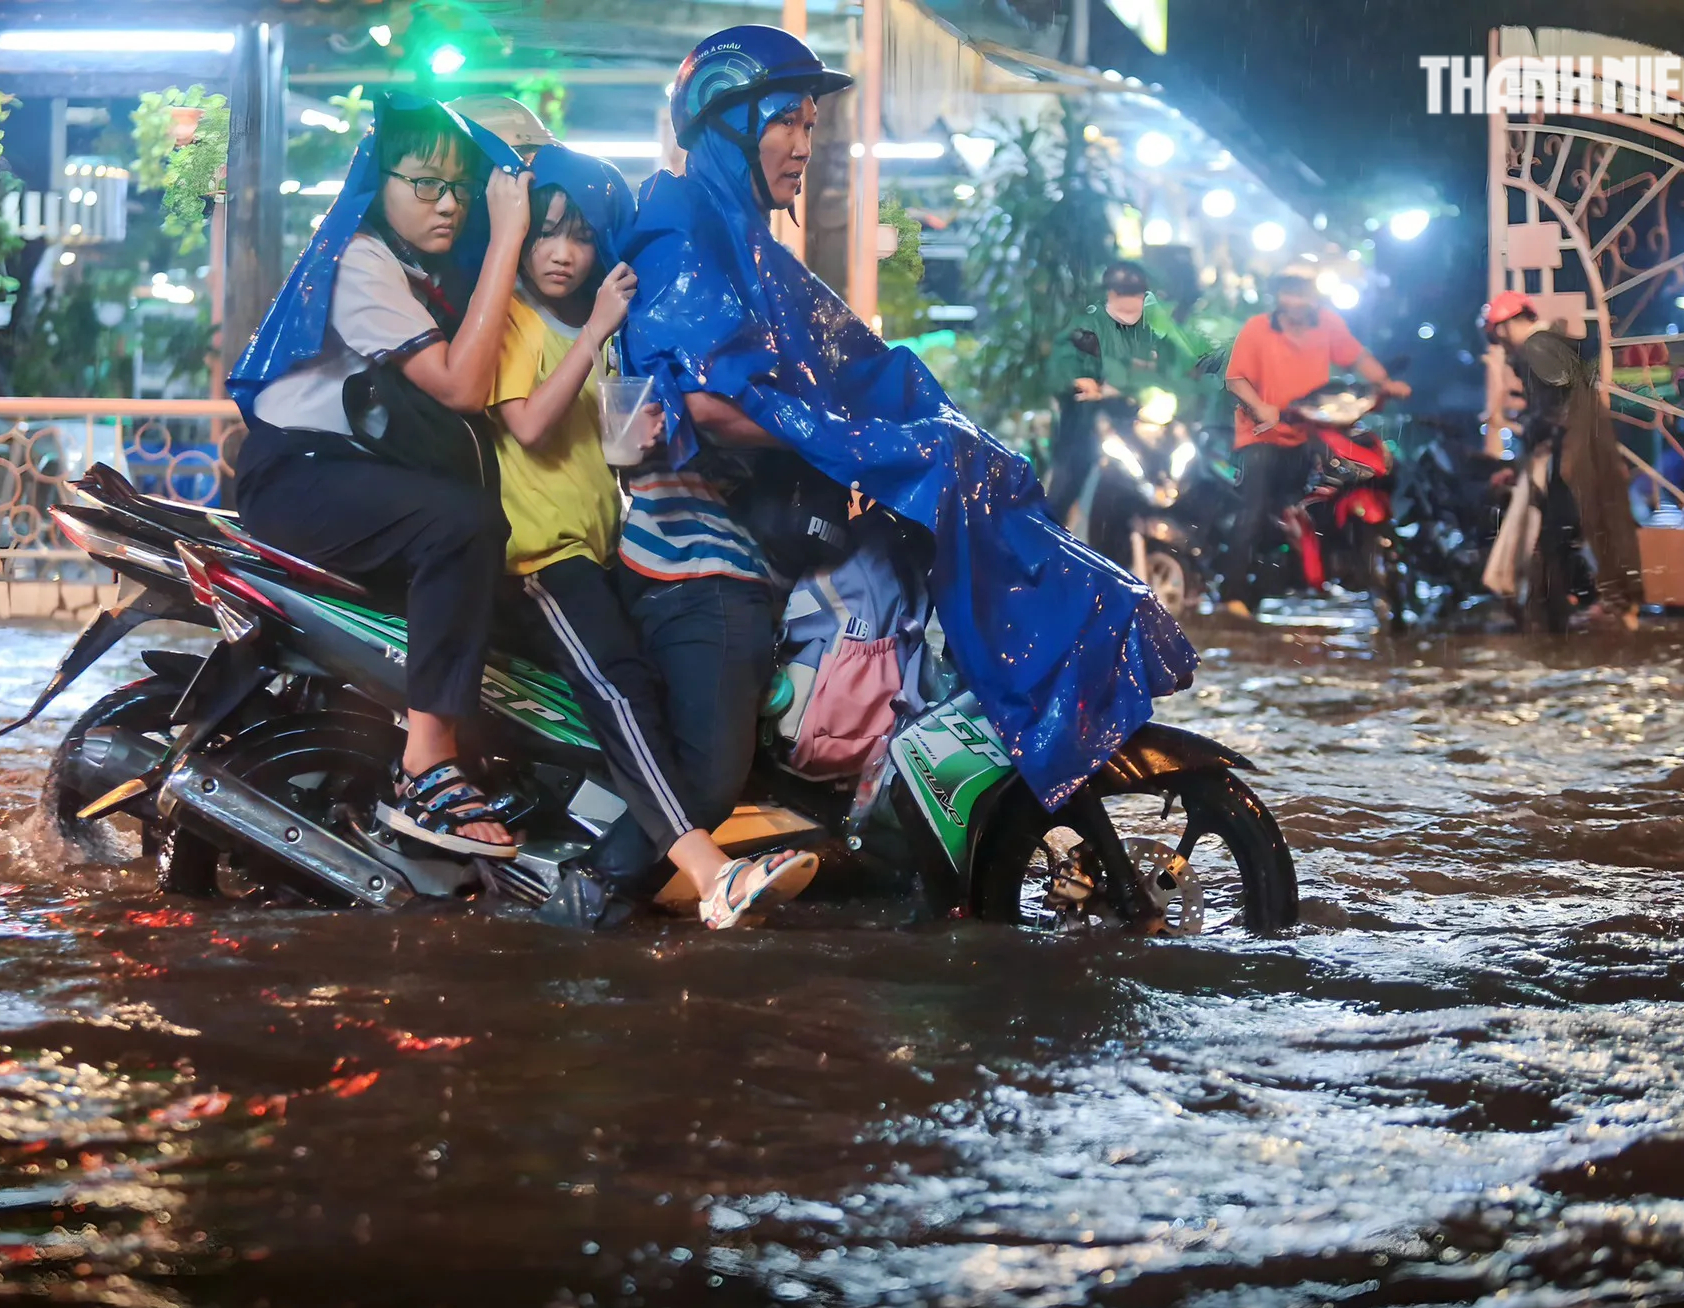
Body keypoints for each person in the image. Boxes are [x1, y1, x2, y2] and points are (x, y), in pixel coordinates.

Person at [621, 25, 1197, 814]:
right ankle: (603, 889)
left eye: (809, 126)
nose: (800, 145)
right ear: (725, 121)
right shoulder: (682, 228)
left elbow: (856, 374)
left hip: (771, 529)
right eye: (783, 121)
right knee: (710, 781)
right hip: (697, 550)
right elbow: (712, 403)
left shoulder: (753, 246)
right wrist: (857, 444)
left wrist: (943, 435)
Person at [487, 144, 819, 928]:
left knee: (637, 702)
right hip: (540, 554)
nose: (562, 252)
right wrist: (600, 324)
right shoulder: (512, 318)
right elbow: (530, 425)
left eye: (579, 237)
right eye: (545, 234)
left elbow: (615, 448)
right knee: (622, 696)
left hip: (598, 552)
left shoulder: (600, 337)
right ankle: (706, 871)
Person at [224, 95, 532, 860]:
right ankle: (427, 759)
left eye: (461, 188)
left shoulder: (421, 270)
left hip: (347, 478)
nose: (450, 204)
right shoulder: (364, 262)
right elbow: (461, 386)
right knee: (460, 525)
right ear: (379, 182)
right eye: (426, 184)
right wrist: (508, 244)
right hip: (300, 476)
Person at [1218, 268, 1411, 617]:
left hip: (1311, 431)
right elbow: (1235, 379)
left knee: (1330, 492)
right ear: (1278, 295)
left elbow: (1357, 357)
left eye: (1303, 292)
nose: (1296, 300)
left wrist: (1385, 383)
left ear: (1314, 296)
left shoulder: (1328, 325)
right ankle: (1232, 594)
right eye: (1289, 292)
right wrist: (1262, 407)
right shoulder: (1257, 328)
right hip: (1262, 435)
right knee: (1255, 509)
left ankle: (1324, 570)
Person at [1482, 291, 1643, 628]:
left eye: (1498, 333)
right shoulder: (1548, 344)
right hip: (1582, 441)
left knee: (1583, 522)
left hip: (1573, 446)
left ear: (1507, 325)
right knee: (1591, 520)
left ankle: (1608, 604)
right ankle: (1604, 602)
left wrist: (1529, 428)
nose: (1501, 344)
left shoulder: (1537, 347)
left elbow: (1553, 404)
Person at [1046, 260, 1208, 527]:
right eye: (1119, 292)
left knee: (1195, 472)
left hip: (1146, 425)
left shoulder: (1157, 337)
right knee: (1068, 479)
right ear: (1108, 294)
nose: (1126, 300)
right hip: (1093, 423)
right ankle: (1050, 542)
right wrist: (1080, 380)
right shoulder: (1087, 329)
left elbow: (1184, 374)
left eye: (1134, 293)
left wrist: (1194, 384)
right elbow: (1063, 366)